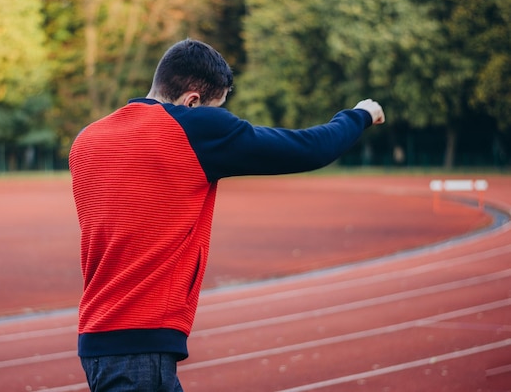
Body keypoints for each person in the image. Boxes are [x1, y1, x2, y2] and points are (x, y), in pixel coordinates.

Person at [69, 38, 385, 391]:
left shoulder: (87, 140)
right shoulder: (193, 128)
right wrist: (359, 115)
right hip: (141, 342)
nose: (217, 116)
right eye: (215, 108)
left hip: (97, 338)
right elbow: (309, 149)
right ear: (192, 101)